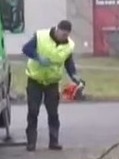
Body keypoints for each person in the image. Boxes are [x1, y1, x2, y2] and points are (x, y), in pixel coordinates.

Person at [20, 19, 84, 151]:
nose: (64, 37)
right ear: (57, 29)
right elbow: (26, 49)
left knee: (53, 113)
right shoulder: (41, 36)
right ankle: (31, 142)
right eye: (62, 34)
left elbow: (68, 64)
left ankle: (54, 141)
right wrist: (38, 57)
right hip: (35, 80)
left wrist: (75, 77)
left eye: (66, 35)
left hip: (52, 82)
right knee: (33, 111)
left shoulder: (69, 45)